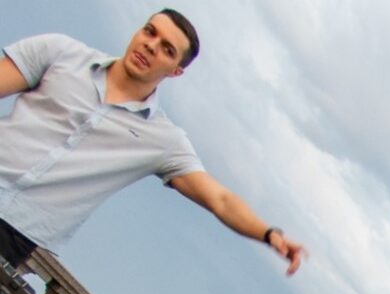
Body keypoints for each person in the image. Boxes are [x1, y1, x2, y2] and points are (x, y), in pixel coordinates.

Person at [0, 9, 305, 273]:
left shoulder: (163, 140)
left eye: (167, 49)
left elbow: (220, 200)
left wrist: (268, 233)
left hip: (14, 235)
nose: (150, 46)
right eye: (150, 32)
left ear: (176, 71)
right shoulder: (61, 53)